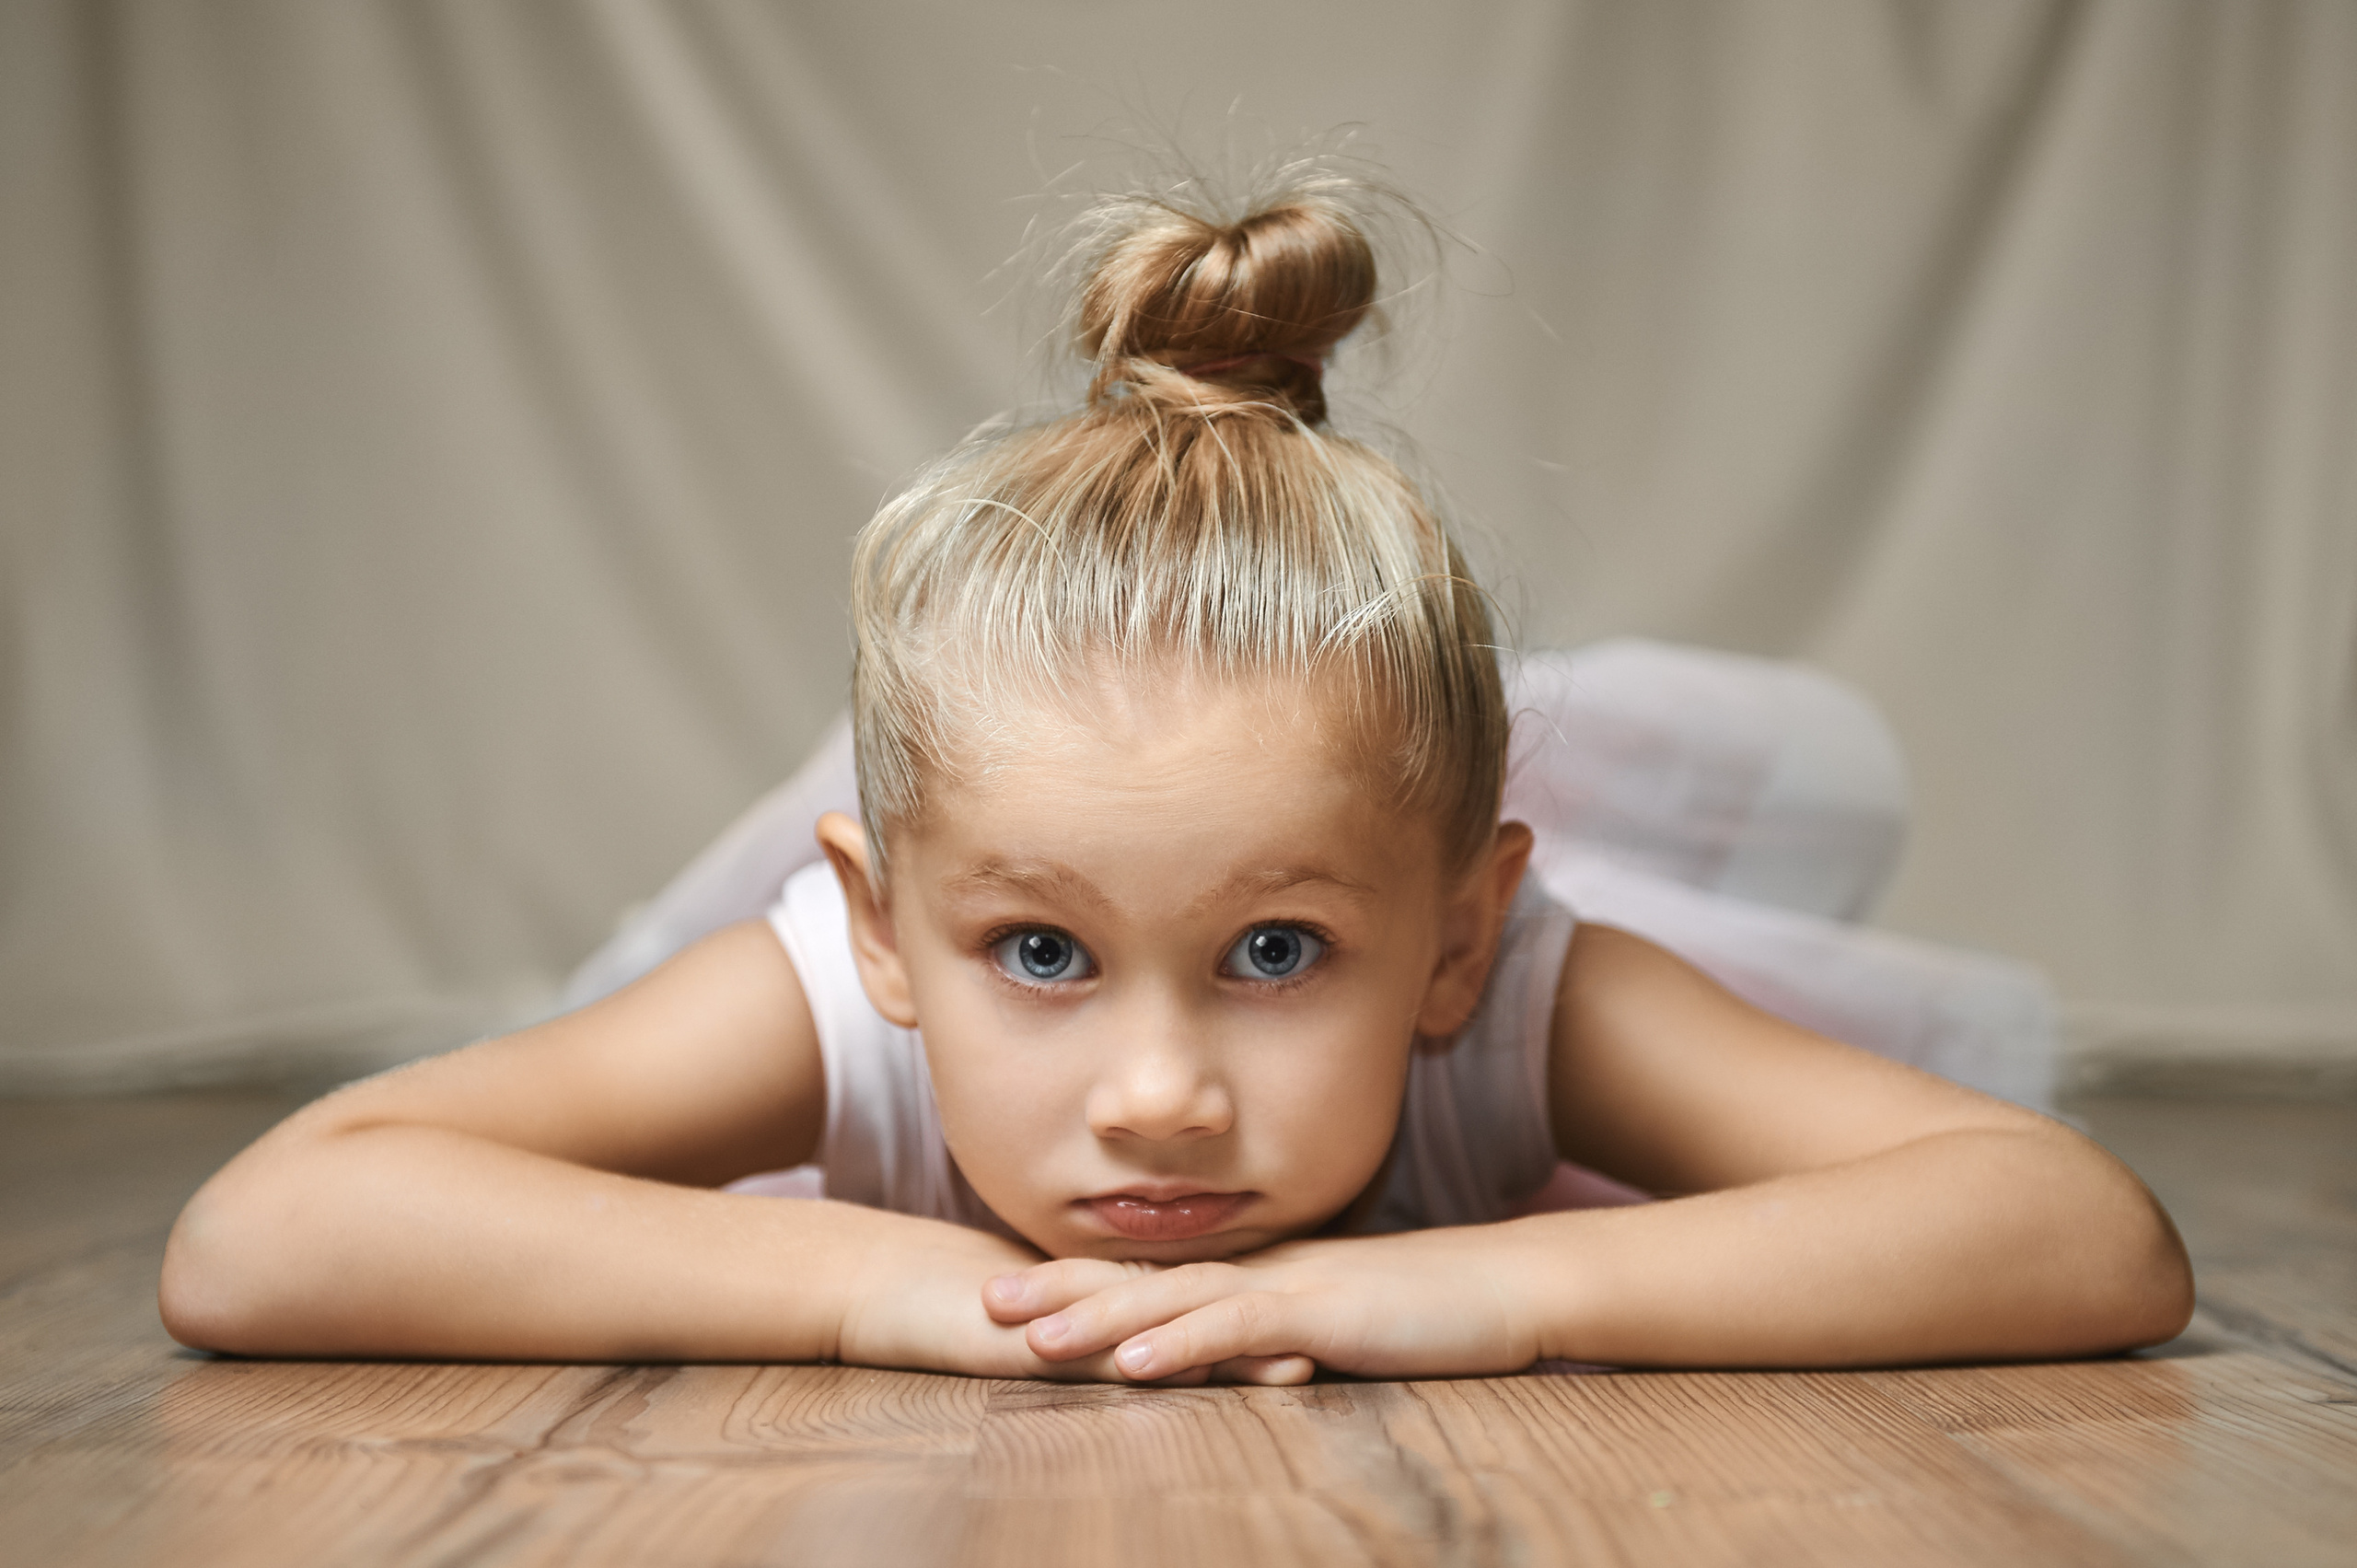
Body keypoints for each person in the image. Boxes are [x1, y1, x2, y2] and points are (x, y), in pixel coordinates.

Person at [159, 177, 2192, 1385]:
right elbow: (267, 1236)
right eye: (1041, 953)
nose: (1156, 1094)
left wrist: (1484, 1288)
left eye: (1277, 951)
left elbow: (2075, 1232)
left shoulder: (1519, 995)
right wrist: (875, 1285)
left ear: (1455, 939)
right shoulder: (828, 1001)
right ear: (884, 936)